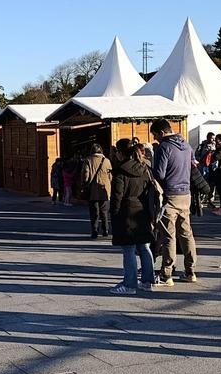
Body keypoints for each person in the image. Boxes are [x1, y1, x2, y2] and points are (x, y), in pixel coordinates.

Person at [150, 119, 196, 285]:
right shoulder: (187, 146)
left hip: (170, 195)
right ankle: (190, 271)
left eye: (155, 135)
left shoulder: (164, 147)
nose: (155, 139)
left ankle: (166, 273)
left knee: (168, 235)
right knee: (186, 233)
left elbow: (160, 174)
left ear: (162, 133)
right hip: (186, 194)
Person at [107, 140, 157, 294]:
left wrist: (113, 215)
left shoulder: (121, 171)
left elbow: (117, 197)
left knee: (129, 249)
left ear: (120, 153)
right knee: (144, 247)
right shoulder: (145, 168)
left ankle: (129, 284)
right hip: (143, 212)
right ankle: (148, 281)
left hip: (126, 213)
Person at [81, 143, 113, 238]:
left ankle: (94, 230)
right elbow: (110, 176)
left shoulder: (88, 160)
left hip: (92, 190)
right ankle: (105, 229)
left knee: (94, 212)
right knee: (104, 211)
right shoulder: (106, 161)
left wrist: (84, 183)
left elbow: (86, 174)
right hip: (105, 190)